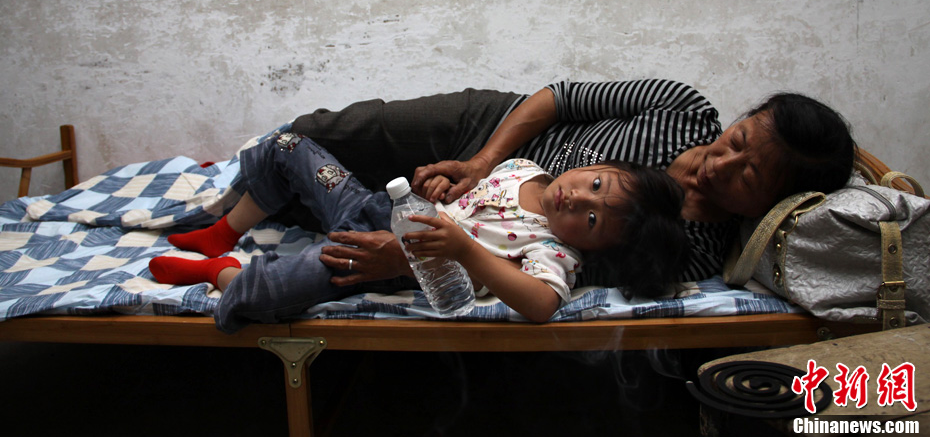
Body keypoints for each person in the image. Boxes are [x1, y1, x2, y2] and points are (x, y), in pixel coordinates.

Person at [299, 80, 856, 288]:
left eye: (750, 175)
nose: (721, 164)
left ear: (772, 204)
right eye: (738, 140)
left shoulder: (692, 251)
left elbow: (542, 265)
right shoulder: (683, 108)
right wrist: (478, 163)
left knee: (325, 221)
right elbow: (558, 97)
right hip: (487, 131)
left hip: (481, 222)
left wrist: (411, 260)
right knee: (322, 134)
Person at [150, 132, 688, 331]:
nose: (579, 197)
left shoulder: (552, 250)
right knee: (288, 145)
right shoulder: (523, 170)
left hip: (379, 267)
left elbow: (542, 305)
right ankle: (223, 230)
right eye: (594, 182)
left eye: (592, 217)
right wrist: (439, 188)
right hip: (372, 211)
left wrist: (464, 251)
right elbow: (465, 199)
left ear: (593, 246)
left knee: (280, 289)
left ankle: (219, 273)